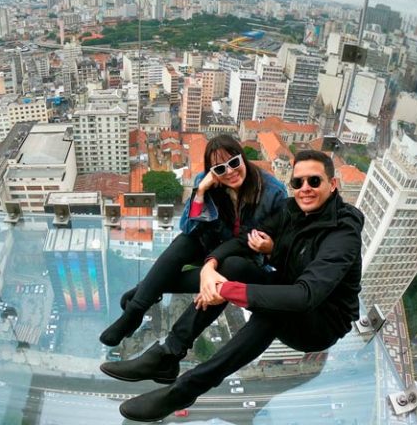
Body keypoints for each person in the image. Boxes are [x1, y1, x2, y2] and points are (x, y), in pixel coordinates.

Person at [107, 150, 365, 422]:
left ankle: (185, 390)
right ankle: (169, 353)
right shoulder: (292, 210)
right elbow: (243, 239)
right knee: (232, 266)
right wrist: (210, 266)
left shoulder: (343, 233)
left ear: (332, 184)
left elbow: (305, 296)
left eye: (314, 181)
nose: (305, 189)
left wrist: (225, 291)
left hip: (319, 321)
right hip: (288, 286)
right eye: (297, 183)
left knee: (273, 310)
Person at [99, 135, 287, 347]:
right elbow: (188, 228)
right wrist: (201, 192)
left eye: (234, 163)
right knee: (184, 242)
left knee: (227, 267)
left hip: (243, 258)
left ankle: (144, 292)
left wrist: (269, 248)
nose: (230, 172)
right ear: (212, 172)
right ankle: (133, 314)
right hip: (213, 245)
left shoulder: (273, 191)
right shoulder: (205, 183)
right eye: (220, 169)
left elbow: (284, 240)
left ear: (243, 159)